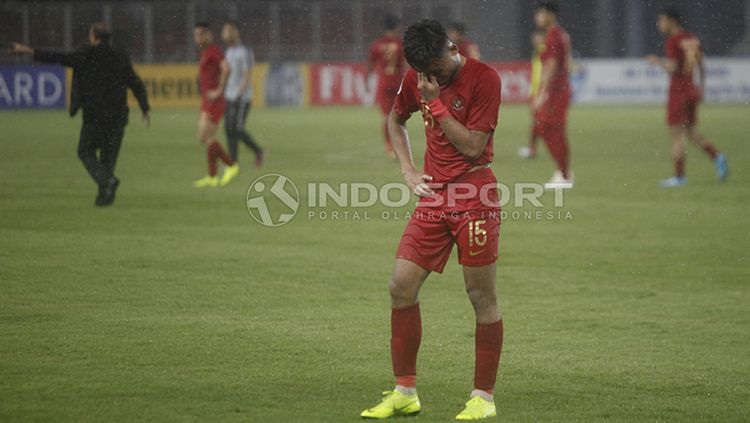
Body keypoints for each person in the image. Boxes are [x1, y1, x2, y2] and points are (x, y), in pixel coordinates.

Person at [361, 20, 503, 421]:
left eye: (438, 68)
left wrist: (436, 104)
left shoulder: (485, 79)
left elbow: (474, 147)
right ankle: (405, 391)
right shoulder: (418, 76)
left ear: (451, 48)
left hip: (475, 193)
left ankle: (483, 397)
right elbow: (395, 120)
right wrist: (407, 171)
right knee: (400, 286)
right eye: (426, 72)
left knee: (481, 297)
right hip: (433, 197)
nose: (433, 77)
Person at [9, 23, 150, 206]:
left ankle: (107, 184)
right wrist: (145, 107)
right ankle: (104, 197)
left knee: (85, 151)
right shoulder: (120, 55)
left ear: (93, 37)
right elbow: (135, 82)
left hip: (95, 115)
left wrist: (27, 50)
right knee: (108, 158)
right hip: (118, 116)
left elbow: (57, 57)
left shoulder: (85, 53)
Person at [646, 8, 728, 187]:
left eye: (662, 21)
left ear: (672, 21)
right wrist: (702, 88)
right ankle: (717, 156)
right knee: (690, 132)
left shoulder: (674, 41)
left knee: (677, 135)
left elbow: (674, 68)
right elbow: (702, 65)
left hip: (679, 91)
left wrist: (657, 62)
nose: (660, 25)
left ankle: (679, 177)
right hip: (691, 88)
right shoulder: (692, 38)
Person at [192, 22, 239, 188]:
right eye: (195, 35)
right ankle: (212, 176)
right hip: (208, 101)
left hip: (214, 101)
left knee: (205, 137)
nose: (196, 38)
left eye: (199, 34)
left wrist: (219, 89)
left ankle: (231, 165)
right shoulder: (205, 52)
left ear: (207, 35)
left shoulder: (213, 51)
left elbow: (227, 68)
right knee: (206, 138)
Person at [532, 1, 574, 189]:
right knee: (551, 129)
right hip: (560, 89)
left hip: (555, 91)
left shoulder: (553, 36)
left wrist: (543, 94)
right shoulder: (560, 34)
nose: (537, 18)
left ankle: (564, 174)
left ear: (549, 14)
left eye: (540, 14)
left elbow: (551, 66)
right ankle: (563, 171)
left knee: (548, 128)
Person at [221, 20, 264, 167]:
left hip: (241, 97)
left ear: (236, 32)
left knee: (237, 129)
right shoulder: (228, 51)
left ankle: (258, 151)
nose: (225, 34)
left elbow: (246, 75)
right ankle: (232, 162)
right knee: (228, 128)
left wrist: (240, 93)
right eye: (224, 31)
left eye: (228, 30)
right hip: (229, 95)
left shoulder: (244, 51)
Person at [367, 14, 406, 159]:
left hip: (384, 83)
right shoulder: (401, 43)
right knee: (399, 116)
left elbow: (370, 64)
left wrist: (366, 81)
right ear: (396, 27)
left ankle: (389, 146)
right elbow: (406, 63)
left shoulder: (377, 44)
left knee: (387, 117)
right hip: (398, 82)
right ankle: (399, 146)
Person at [519, 29, 546, 159]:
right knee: (537, 122)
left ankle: (532, 149)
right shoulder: (538, 51)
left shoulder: (545, 50)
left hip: (542, 92)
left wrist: (541, 92)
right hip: (535, 92)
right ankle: (532, 148)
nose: (534, 38)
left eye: (537, 36)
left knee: (539, 123)